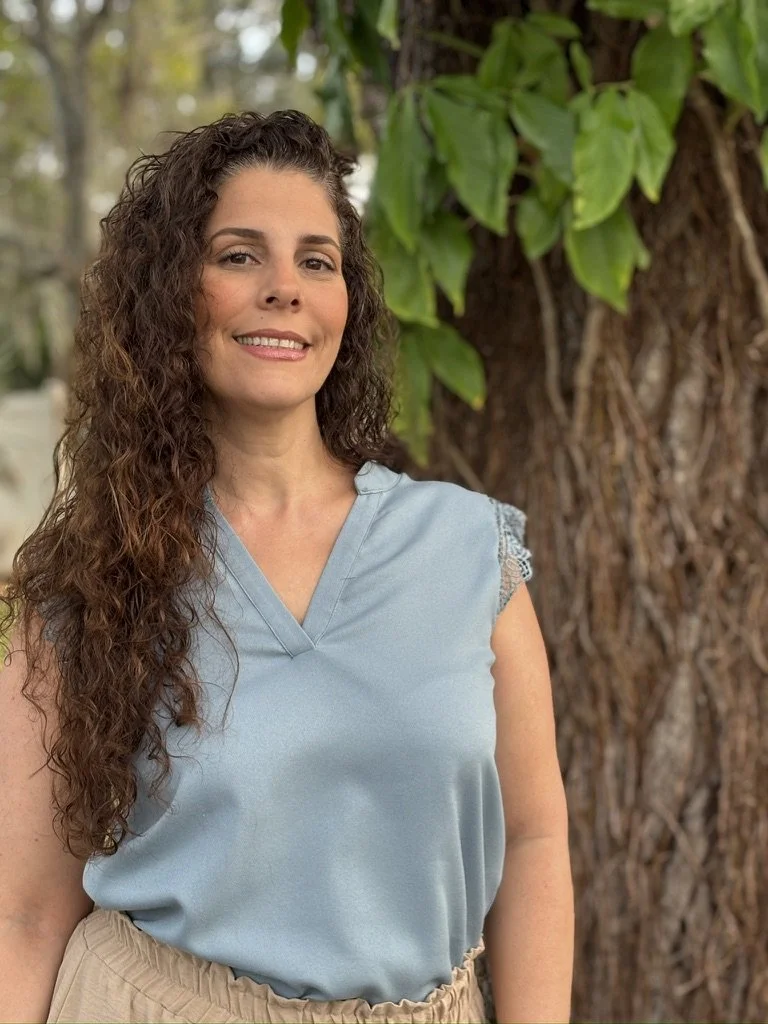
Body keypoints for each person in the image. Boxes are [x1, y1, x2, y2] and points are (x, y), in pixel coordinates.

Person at [0, 109, 574, 1024]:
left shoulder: (469, 550)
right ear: (170, 293)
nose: (285, 288)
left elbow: (535, 836)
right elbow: (27, 912)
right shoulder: (94, 578)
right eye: (238, 255)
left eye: (317, 259)